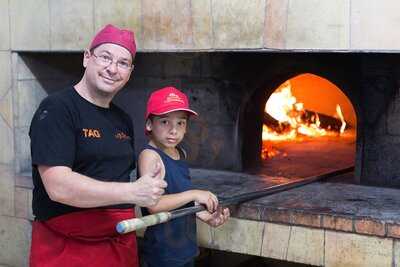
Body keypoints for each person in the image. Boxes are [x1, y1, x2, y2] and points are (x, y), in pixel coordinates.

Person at [29, 24, 167, 267]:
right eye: (105, 57)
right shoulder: (57, 109)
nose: (113, 69)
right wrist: (132, 192)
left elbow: (121, 175)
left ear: (130, 71)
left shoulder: (122, 119)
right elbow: (57, 186)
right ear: (87, 58)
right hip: (67, 249)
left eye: (123, 63)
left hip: (118, 244)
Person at [138, 86, 230, 267]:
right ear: (149, 124)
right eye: (165, 122)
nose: (174, 130)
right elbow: (154, 206)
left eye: (180, 123)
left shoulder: (180, 153)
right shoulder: (150, 156)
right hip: (163, 255)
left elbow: (179, 196)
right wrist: (195, 193)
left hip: (184, 248)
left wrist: (204, 215)